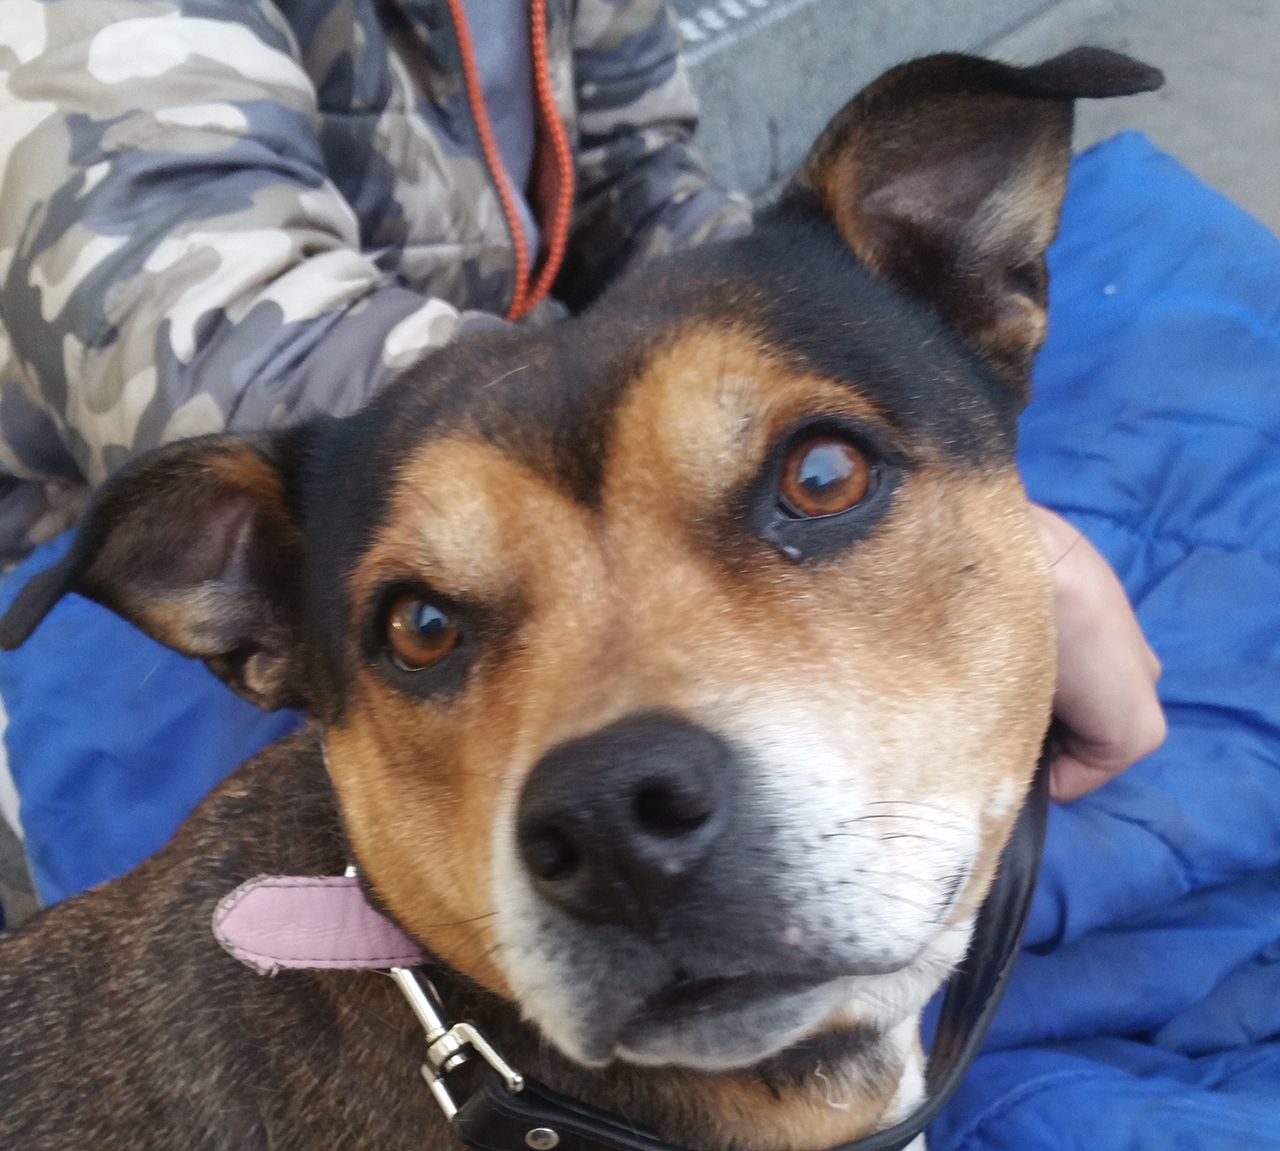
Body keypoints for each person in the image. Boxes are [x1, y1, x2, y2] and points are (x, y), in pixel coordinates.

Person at [0, 1, 1164, 909]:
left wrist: (830, 358)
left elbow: (629, 177)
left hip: (511, 436)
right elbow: (205, 339)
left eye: (822, 480)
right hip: (114, 532)